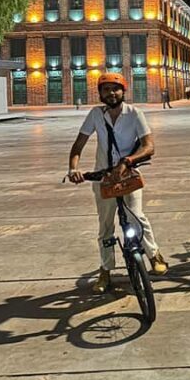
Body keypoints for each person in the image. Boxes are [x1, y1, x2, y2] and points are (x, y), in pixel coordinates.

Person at [67, 72, 168, 294]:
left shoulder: (134, 114)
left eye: (115, 89)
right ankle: (106, 269)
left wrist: (128, 161)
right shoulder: (95, 114)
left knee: (137, 216)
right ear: (100, 93)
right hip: (104, 178)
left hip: (128, 175)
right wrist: (73, 169)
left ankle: (154, 255)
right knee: (106, 226)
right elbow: (78, 145)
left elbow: (149, 146)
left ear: (123, 91)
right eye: (106, 90)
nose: (111, 93)